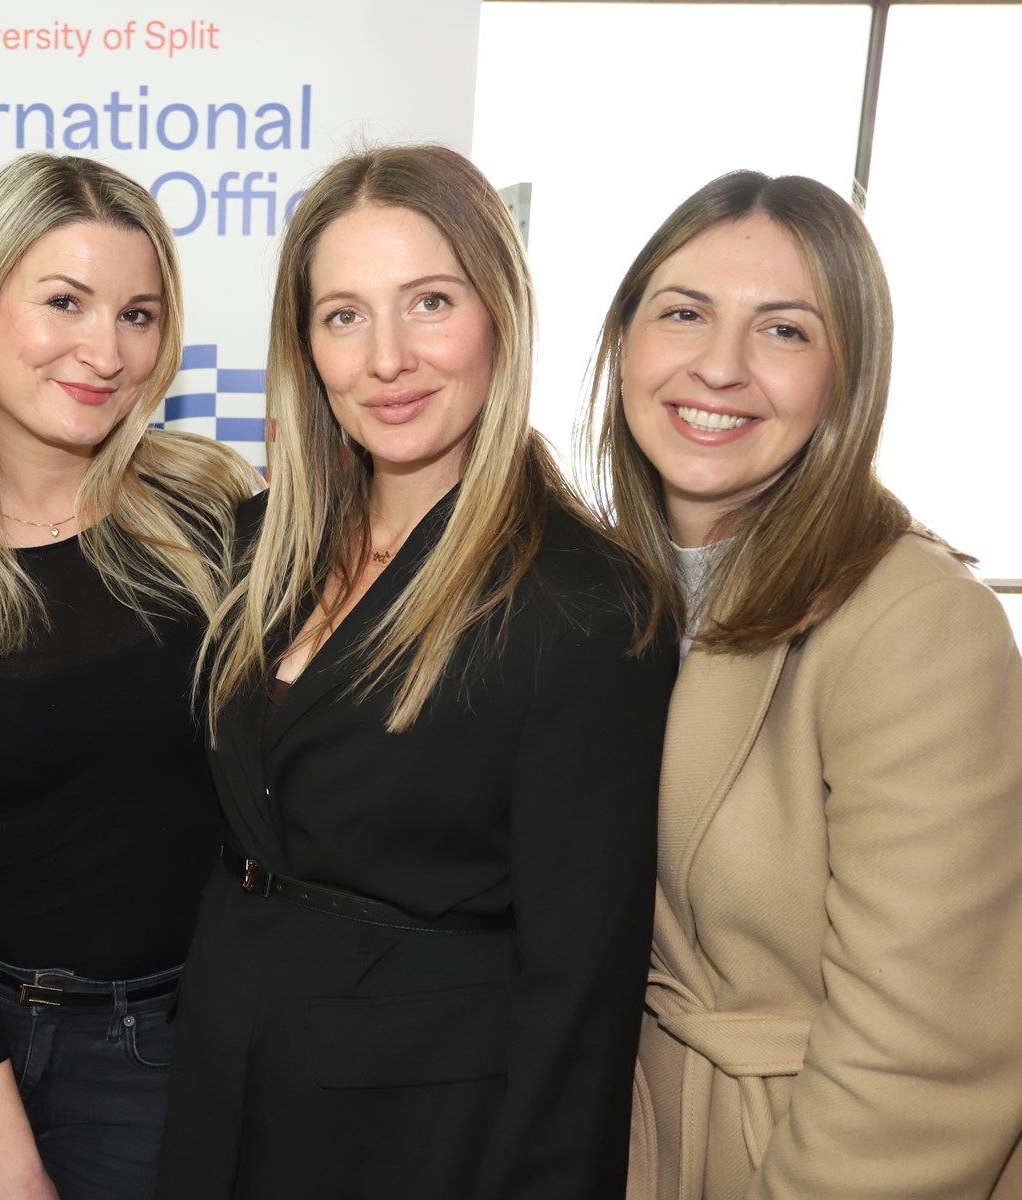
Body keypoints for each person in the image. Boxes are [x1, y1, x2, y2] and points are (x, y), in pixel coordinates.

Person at [154, 144, 677, 1199]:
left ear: (499, 314)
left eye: (429, 302)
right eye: (344, 315)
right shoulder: (257, 544)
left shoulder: (585, 602)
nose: (387, 358)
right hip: (224, 1075)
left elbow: (582, 984)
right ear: (306, 346)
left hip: (420, 1133)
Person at [585, 171, 1022, 1199]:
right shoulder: (600, 588)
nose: (719, 366)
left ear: (847, 376)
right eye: (684, 314)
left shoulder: (919, 624)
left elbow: (921, 1061)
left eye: (784, 331)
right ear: (624, 340)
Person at [0, 152, 260, 1200]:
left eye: (137, 315)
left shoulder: (218, 516)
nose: (105, 351)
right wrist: (7, 1159)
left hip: (157, 1049)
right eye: (64, 302)